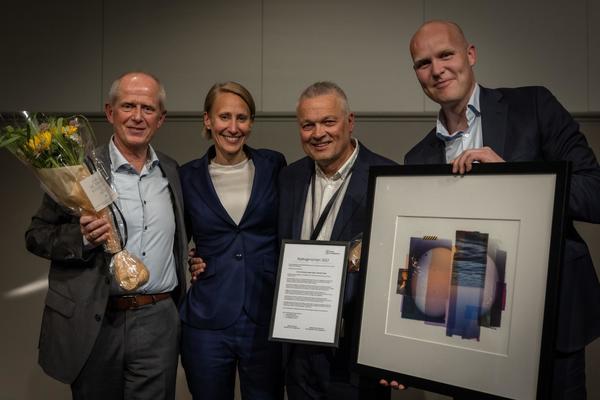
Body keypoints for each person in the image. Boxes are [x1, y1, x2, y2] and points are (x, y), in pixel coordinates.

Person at [403, 20, 600, 398]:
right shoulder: (417, 158)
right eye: (423, 63)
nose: (437, 69)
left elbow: (595, 193)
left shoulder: (534, 106)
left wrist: (515, 178)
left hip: (547, 322)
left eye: (446, 55)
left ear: (470, 54)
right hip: (469, 332)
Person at [25, 71, 188, 399]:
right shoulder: (76, 169)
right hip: (96, 321)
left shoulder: (172, 171)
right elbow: (36, 235)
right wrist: (83, 238)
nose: (137, 116)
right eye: (128, 106)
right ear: (110, 112)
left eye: (148, 108)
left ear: (161, 119)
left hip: (158, 319)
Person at [279, 81, 396, 400]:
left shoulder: (387, 177)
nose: (318, 133)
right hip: (299, 351)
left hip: (356, 355)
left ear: (350, 121)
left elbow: (403, 268)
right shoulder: (289, 178)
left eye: (328, 121)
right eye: (308, 125)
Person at [180, 81, 286, 400]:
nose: (233, 127)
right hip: (207, 318)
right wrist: (191, 261)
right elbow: (177, 237)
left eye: (242, 118)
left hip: (265, 314)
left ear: (251, 122)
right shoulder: (187, 176)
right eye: (224, 116)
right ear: (207, 120)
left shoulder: (274, 165)